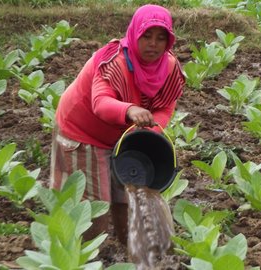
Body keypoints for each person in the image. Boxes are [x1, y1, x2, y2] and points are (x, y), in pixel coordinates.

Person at [49, 4, 185, 245]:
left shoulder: (169, 67)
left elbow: (166, 106)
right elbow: (100, 103)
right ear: (134, 34)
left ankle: (131, 251)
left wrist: (152, 130)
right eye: (146, 36)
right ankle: (85, 256)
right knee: (94, 208)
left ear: (169, 41)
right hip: (83, 133)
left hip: (123, 136)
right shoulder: (114, 62)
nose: (153, 44)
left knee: (129, 197)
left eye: (161, 38)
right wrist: (130, 110)